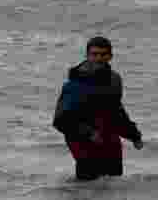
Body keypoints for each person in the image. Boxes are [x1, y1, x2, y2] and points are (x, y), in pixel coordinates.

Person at [53, 36, 143, 181]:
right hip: (82, 139)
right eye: (94, 54)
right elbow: (61, 119)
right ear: (87, 56)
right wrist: (89, 133)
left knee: (113, 183)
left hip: (108, 137)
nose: (99, 58)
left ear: (110, 56)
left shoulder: (114, 80)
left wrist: (134, 135)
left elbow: (116, 111)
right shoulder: (75, 83)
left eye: (103, 54)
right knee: (87, 186)